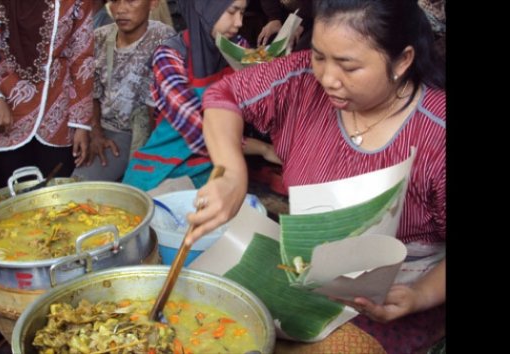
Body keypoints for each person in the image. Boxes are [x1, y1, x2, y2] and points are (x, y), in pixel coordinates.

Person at [192, 0, 446, 352]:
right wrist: (230, 172)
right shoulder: (300, 80)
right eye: (319, 56)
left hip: (395, 293)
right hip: (305, 272)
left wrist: (419, 296)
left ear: (402, 61)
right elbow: (226, 95)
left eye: (349, 66)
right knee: (209, 318)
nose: (327, 78)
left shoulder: (438, 134)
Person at [122, 0, 278, 192]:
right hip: (163, 174)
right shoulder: (169, 56)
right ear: (207, 10)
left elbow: (262, 105)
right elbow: (201, 131)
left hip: (213, 170)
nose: (239, 22)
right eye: (231, 12)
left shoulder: (239, 49)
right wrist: (263, 149)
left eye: (242, 13)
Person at [0, 0, 95, 188]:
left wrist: (81, 122)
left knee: (58, 199)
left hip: (56, 115)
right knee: (15, 200)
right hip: (3, 116)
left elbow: (81, 53)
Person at [73, 0, 176, 181]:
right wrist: (95, 132)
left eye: (130, 1)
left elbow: (157, 112)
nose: (120, 10)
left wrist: (148, 159)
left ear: (153, 3)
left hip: (137, 134)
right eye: (114, 1)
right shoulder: (99, 37)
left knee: (83, 186)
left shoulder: (163, 38)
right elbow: (91, 92)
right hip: (102, 129)